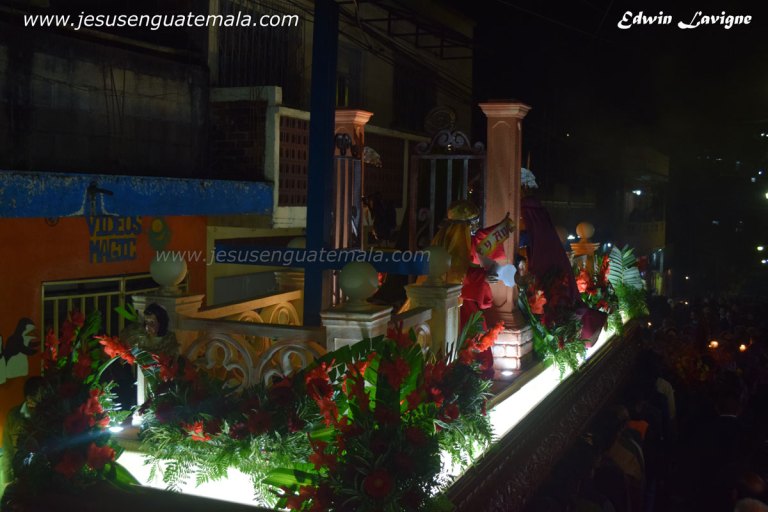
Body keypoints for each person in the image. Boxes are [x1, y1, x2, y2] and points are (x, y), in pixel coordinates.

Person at [1, 376, 44, 490]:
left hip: (41, 478)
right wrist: (7, 480)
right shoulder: (13, 416)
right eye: (39, 397)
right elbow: (7, 450)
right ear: (29, 398)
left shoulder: (48, 415)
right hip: (19, 477)